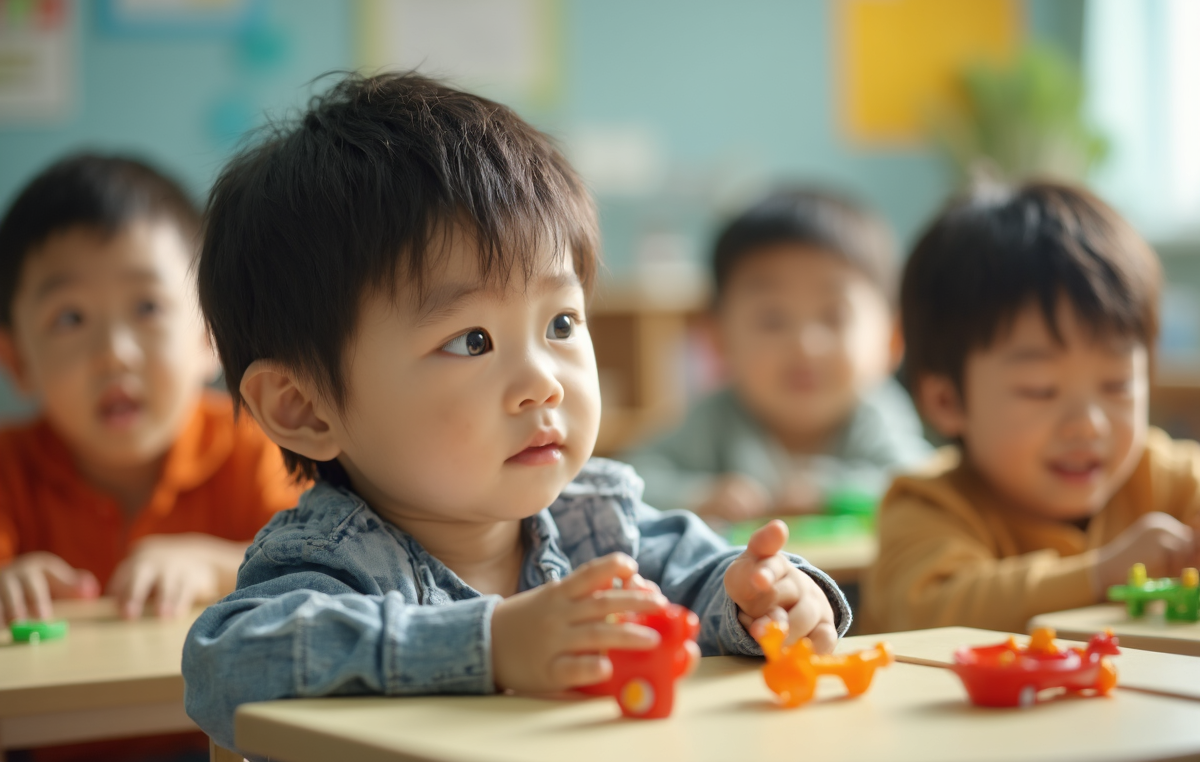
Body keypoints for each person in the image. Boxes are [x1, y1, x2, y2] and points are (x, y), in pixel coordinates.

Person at [180, 73, 851, 752]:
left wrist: (762, 600)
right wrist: (489, 645)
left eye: (561, 322)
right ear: (305, 408)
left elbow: (707, 579)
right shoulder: (332, 565)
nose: (543, 383)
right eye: (472, 341)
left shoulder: (598, 522)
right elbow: (225, 662)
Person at [0, 153, 305, 761]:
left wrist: (217, 565)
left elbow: (327, 573)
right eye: (70, 318)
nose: (114, 354)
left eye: (147, 308)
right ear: (18, 362)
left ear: (208, 336)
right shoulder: (9, 468)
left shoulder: (257, 445)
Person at [862, 180, 1200, 634]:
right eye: (1040, 390)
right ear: (947, 401)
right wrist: (1102, 573)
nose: (1088, 424)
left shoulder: (1168, 479)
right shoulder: (927, 506)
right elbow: (930, 609)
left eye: (1117, 385)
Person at [622, 189, 932, 523]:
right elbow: (631, 483)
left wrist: (832, 493)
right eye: (772, 320)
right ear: (718, 337)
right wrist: (698, 496)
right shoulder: (714, 418)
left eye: (834, 317)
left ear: (893, 338)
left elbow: (919, 485)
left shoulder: (876, 414)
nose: (805, 345)